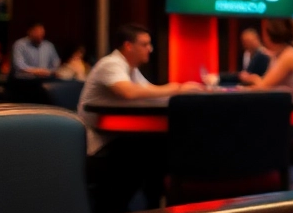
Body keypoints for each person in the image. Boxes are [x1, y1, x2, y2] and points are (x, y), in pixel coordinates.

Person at [78, 23, 203, 155]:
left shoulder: (131, 67)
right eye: (145, 44)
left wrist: (183, 90)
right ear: (128, 46)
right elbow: (129, 92)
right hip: (99, 143)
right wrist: (177, 89)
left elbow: (150, 91)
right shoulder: (111, 63)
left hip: (117, 136)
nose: (150, 49)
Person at [241, 19, 293, 99]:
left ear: (269, 35)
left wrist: (253, 78)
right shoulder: (279, 54)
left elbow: (263, 87)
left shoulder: (289, 56)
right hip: (285, 106)